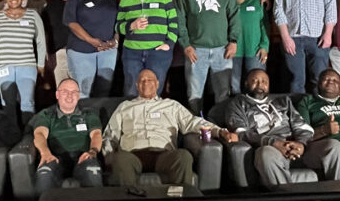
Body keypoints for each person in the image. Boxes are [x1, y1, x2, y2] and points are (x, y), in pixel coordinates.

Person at [102, 70, 238, 186]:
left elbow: (193, 122)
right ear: (137, 85)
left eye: (150, 80)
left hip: (163, 155)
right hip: (132, 155)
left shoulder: (172, 106)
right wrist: (108, 155)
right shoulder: (125, 107)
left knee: (183, 156)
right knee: (119, 159)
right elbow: (110, 135)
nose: (145, 82)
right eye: (142, 80)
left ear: (157, 84)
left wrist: (220, 131)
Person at [226, 70, 340, 187]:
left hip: (296, 146)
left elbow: (301, 126)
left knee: (334, 146)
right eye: (255, 81)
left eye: (264, 82)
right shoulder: (237, 104)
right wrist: (274, 143)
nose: (260, 85)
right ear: (246, 83)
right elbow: (241, 133)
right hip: (271, 149)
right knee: (265, 154)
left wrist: (301, 144)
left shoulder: (283, 101)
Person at [175, 0, 240, 115]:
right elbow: (179, 20)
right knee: (194, 94)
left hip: (222, 50)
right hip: (196, 51)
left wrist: (233, 41)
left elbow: (234, 15)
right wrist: (186, 45)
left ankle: (221, 126)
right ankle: (197, 127)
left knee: (223, 93)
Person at [273, 0, 336, 95]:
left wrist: (328, 34)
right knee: (296, 80)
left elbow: (331, 6)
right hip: (292, 38)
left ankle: (319, 114)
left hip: (318, 38)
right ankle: (298, 115)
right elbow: (278, 9)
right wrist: (285, 37)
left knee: (319, 79)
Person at [0, 0, 47, 125]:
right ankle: (11, 135)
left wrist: (41, 64)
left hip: (27, 65)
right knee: (7, 104)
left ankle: (29, 136)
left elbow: (41, 41)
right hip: (3, 66)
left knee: (28, 103)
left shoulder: (33, 14)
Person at [116, 0, 178, 97]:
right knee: (132, 90)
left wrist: (169, 44)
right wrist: (132, 26)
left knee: (154, 92)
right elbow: (118, 26)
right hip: (132, 52)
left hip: (158, 52)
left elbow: (173, 21)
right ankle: (132, 118)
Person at [33, 78, 103, 195]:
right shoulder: (46, 114)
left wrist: (93, 151)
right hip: (55, 158)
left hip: (83, 157)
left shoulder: (89, 114)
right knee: (44, 174)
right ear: (57, 94)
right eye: (65, 92)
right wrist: (45, 153)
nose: (70, 96)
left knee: (92, 171)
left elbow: (96, 134)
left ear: (79, 96)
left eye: (74, 92)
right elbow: (39, 134)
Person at [64, 0, 119, 98]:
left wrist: (115, 40)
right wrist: (91, 40)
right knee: (83, 91)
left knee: (104, 90)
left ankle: (99, 119)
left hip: (107, 51)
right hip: (82, 51)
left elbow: (119, 21)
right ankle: (83, 119)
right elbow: (71, 22)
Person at [229, 0, 269, 94]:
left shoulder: (256, 0)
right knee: (233, 86)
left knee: (256, 86)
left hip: (254, 49)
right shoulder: (226, 0)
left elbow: (264, 24)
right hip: (232, 50)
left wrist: (264, 46)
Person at [44, 0, 76, 88]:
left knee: (79, 89)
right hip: (59, 53)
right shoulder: (50, 7)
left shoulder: (81, 4)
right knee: (62, 88)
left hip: (80, 53)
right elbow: (45, 31)